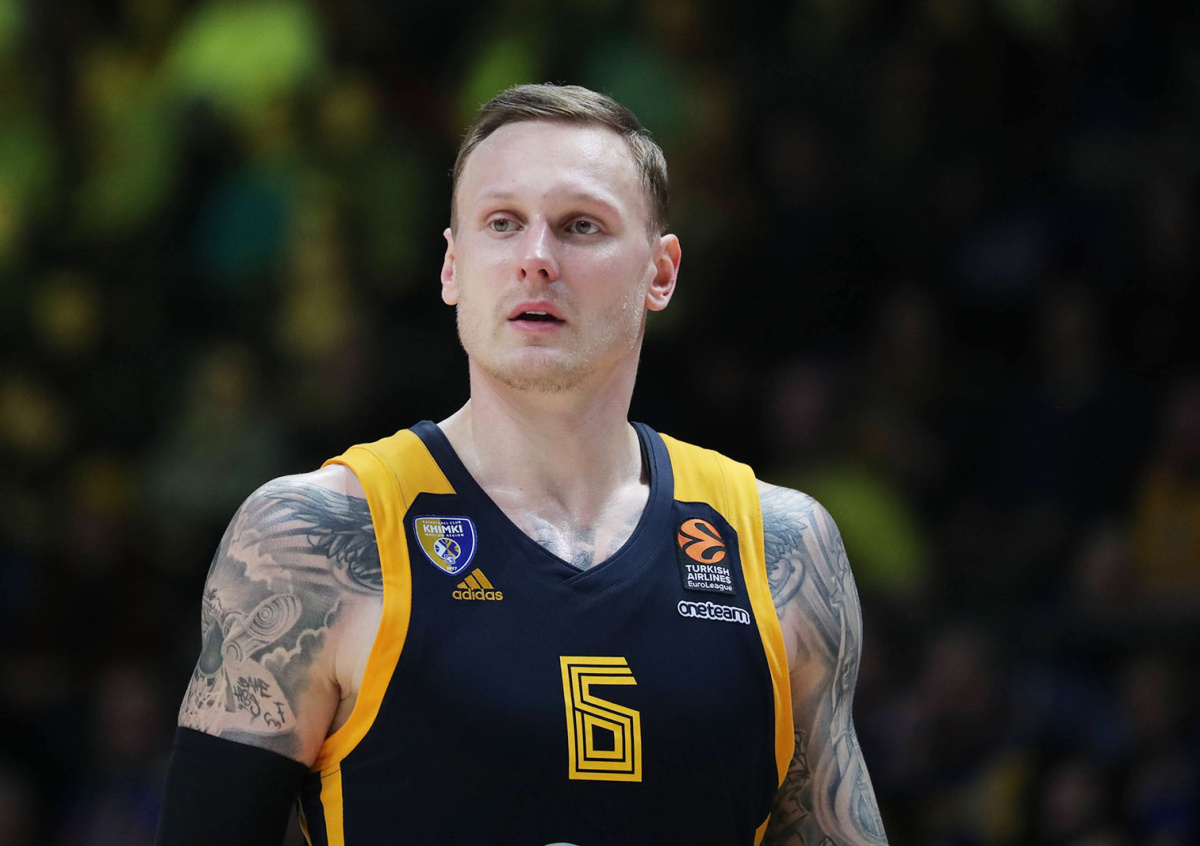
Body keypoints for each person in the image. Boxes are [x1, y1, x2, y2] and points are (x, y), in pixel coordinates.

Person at [155, 83, 889, 846]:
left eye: (581, 226)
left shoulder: (781, 548)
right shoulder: (312, 539)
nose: (536, 259)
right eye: (502, 224)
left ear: (661, 272)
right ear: (452, 267)